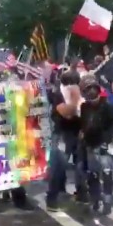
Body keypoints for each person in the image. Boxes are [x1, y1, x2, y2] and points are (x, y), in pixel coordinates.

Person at [46, 70, 86, 211]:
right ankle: (52, 199)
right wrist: (75, 98)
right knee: (58, 167)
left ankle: (82, 194)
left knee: (80, 165)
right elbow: (67, 113)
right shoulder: (58, 95)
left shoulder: (82, 93)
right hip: (63, 134)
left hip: (78, 133)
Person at [78, 74, 113, 216]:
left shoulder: (107, 106)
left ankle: (107, 202)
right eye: (87, 89)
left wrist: (107, 141)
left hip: (103, 145)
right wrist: (83, 134)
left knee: (107, 174)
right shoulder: (84, 107)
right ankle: (95, 199)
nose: (91, 92)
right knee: (92, 175)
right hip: (90, 144)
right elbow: (83, 124)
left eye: (92, 88)